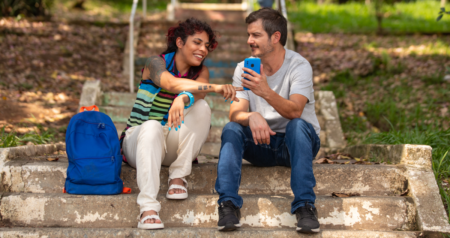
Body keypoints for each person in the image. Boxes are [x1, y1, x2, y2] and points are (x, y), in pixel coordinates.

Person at [120, 18, 242, 230]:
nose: (202, 49)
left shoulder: (201, 72)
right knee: (152, 126)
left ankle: (178, 177)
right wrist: (214, 87)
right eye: (197, 42)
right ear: (179, 42)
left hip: (170, 144)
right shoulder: (155, 63)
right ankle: (148, 208)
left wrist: (183, 98)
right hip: (137, 141)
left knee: (203, 108)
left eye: (206, 45)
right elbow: (170, 83)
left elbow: (199, 93)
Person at [214, 8, 321, 233]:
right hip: (261, 143)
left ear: (275, 37)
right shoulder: (244, 68)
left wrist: (265, 91)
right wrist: (251, 115)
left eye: (256, 35)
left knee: (297, 125)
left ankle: (305, 206)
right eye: (249, 35)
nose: (249, 40)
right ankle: (228, 204)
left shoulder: (299, 66)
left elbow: (295, 112)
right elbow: (235, 113)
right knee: (232, 128)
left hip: (295, 145)